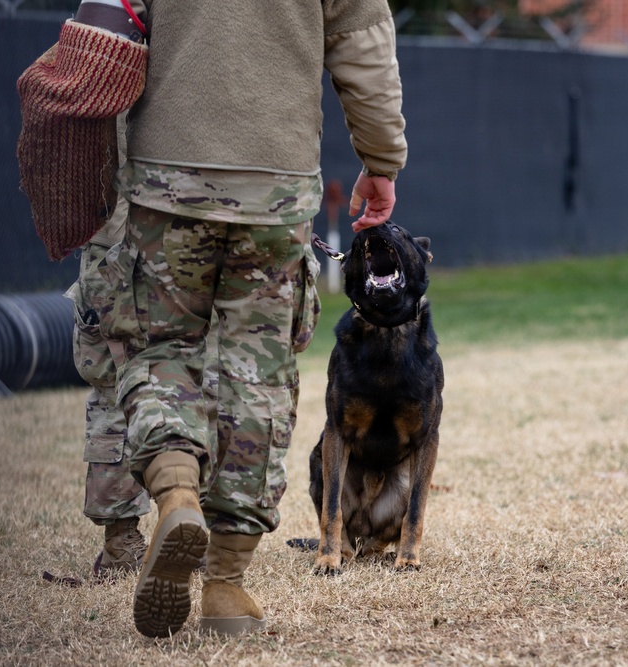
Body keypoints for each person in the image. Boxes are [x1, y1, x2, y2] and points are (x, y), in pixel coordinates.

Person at [70, 0, 407, 638]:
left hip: (166, 180)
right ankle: (226, 585)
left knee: (159, 350)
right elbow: (364, 47)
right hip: (276, 186)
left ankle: (174, 492)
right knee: (260, 376)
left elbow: (103, 32)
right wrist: (381, 161)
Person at [64, 119, 151, 581]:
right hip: (191, 234)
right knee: (196, 379)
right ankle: (196, 526)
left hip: (113, 241)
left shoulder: (104, 56)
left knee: (111, 390)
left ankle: (122, 545)